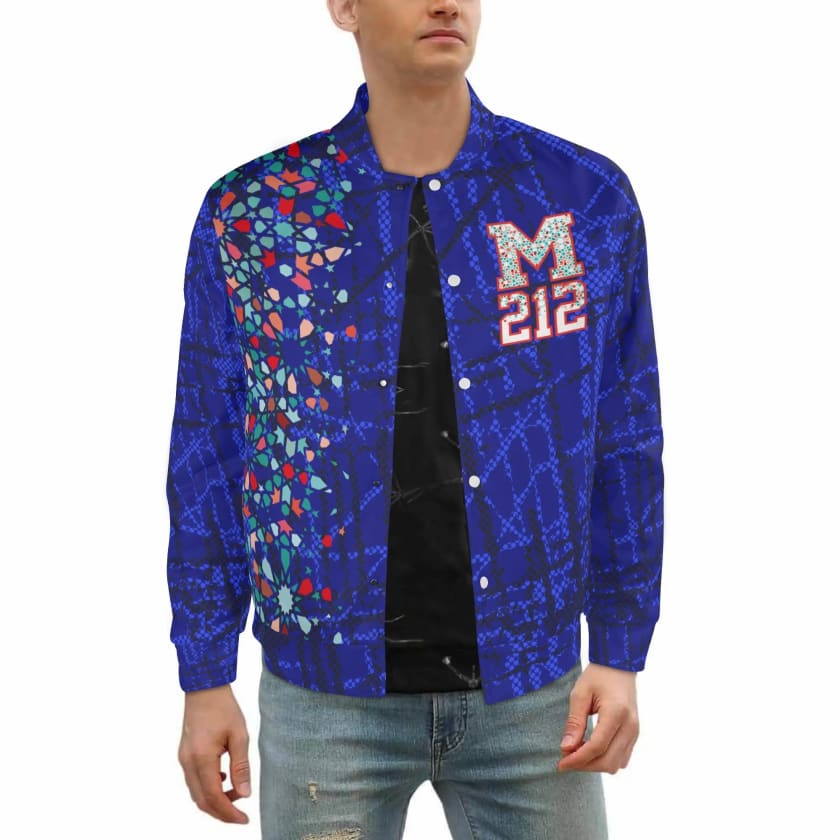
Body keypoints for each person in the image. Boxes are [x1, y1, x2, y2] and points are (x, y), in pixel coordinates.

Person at [166, 1, 664, 838]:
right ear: (346, 7)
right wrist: (204, 671)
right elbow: (209, 447)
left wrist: (619, 648)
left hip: (535, 694)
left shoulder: (580, 199)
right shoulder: (256, 214)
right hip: (326, 700)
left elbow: (627, 433)